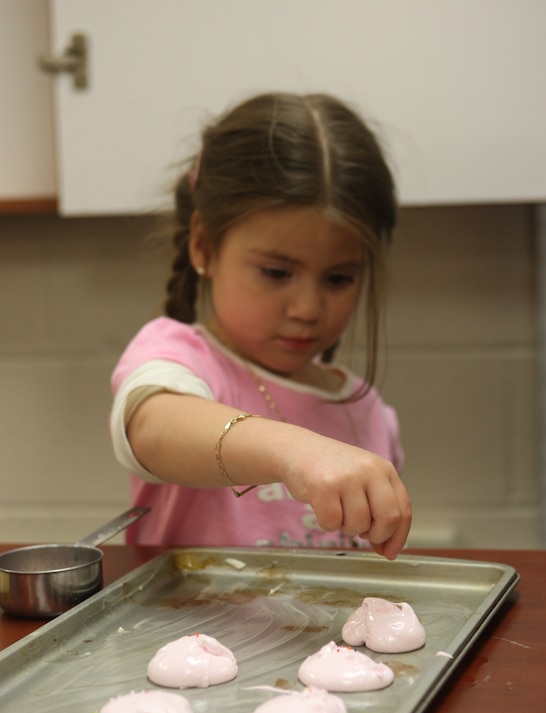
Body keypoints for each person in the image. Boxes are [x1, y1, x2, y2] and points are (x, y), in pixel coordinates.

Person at [110, 91, 411, 560]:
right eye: (276, 273)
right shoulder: (177, 357)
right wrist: (296, 452)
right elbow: (153, 428)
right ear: (204, 246)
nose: (308, 308)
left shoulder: (367, 411)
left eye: (338, 278)